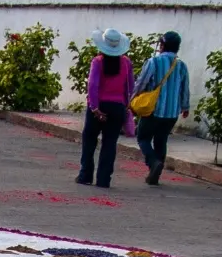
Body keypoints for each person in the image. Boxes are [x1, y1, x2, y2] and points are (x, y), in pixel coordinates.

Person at [77, 27, 135, 189]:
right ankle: (104, 180)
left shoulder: (98, 62)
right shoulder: (126, 63)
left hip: (99, 105)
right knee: (110, 143)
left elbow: (93, 85)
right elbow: (130, 85)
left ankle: (85, 175)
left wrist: (95, 108)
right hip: (117, 107)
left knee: (89, 139)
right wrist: (126, 104)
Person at [132, 30, 191, 186]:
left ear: (163, 45)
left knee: (142, 137)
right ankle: (155, 174)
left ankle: (153, 163)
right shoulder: (181, 65)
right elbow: (185, 88)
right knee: (161, 140)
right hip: (172, 112)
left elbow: (142, 83)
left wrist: (132, 99)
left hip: (153, 109)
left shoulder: (154, 62)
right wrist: (185, 107)